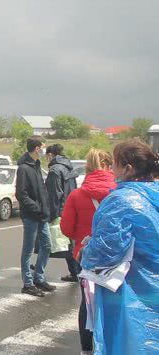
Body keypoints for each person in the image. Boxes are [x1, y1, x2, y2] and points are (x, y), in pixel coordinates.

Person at [80, 140, 158, 355]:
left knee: (131, 344)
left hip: (131, 294)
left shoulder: (121, 201)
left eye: (114, 163)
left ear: (128, 168)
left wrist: (86, 250)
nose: (112, 168)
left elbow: (105, 253)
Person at [60, 149, 116, 354]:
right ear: (110, 166)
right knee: (114, 299)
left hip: (84, 255)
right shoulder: (119, 192)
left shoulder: (76, 195)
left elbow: (66, 228)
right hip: (115, 257)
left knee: (88, 302)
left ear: (87, 168)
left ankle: (86, 349)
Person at [16, 136, 54, 297]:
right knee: (28, 249)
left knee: (47, 246)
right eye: (43, 147)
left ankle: (39, 277)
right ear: (37, 148)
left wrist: (46, 209)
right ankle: (28, 283)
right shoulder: (24, 168)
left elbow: (41, 190)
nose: (45, 150)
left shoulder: (37, 165)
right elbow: (21, 194)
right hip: (31, 216)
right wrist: (37, 208)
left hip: (42, 215)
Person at [45, 144, 79, 282]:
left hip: (60, 210)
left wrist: (51, 215)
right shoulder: (69, 167)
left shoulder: (55, 170)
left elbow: (54, 194)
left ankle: (40, 269)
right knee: (70, 243)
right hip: (71, 207)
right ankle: (75, 271)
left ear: (50, 155)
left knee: (56, 242)